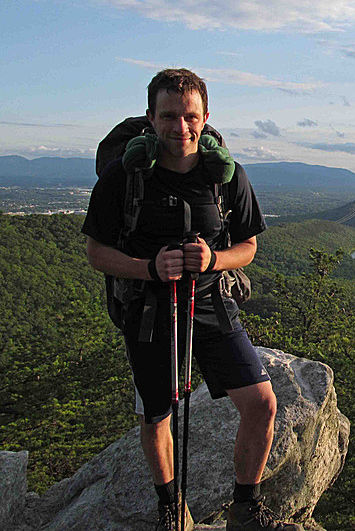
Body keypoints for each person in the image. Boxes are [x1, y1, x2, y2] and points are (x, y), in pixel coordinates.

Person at [82, 68, 302, 531]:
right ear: (150, 117)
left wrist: (214, 259)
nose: (180, 128)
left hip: (211, 303)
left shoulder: (226, 177)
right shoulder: (125, 179)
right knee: (157, 414)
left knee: (262, 403)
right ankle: (169, 507)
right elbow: (96, 252)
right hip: (149, 310)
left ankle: (245, 509)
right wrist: (148, 268)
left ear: (205, 117)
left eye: (189, 116)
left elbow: (249, 246)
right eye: (168, 116)